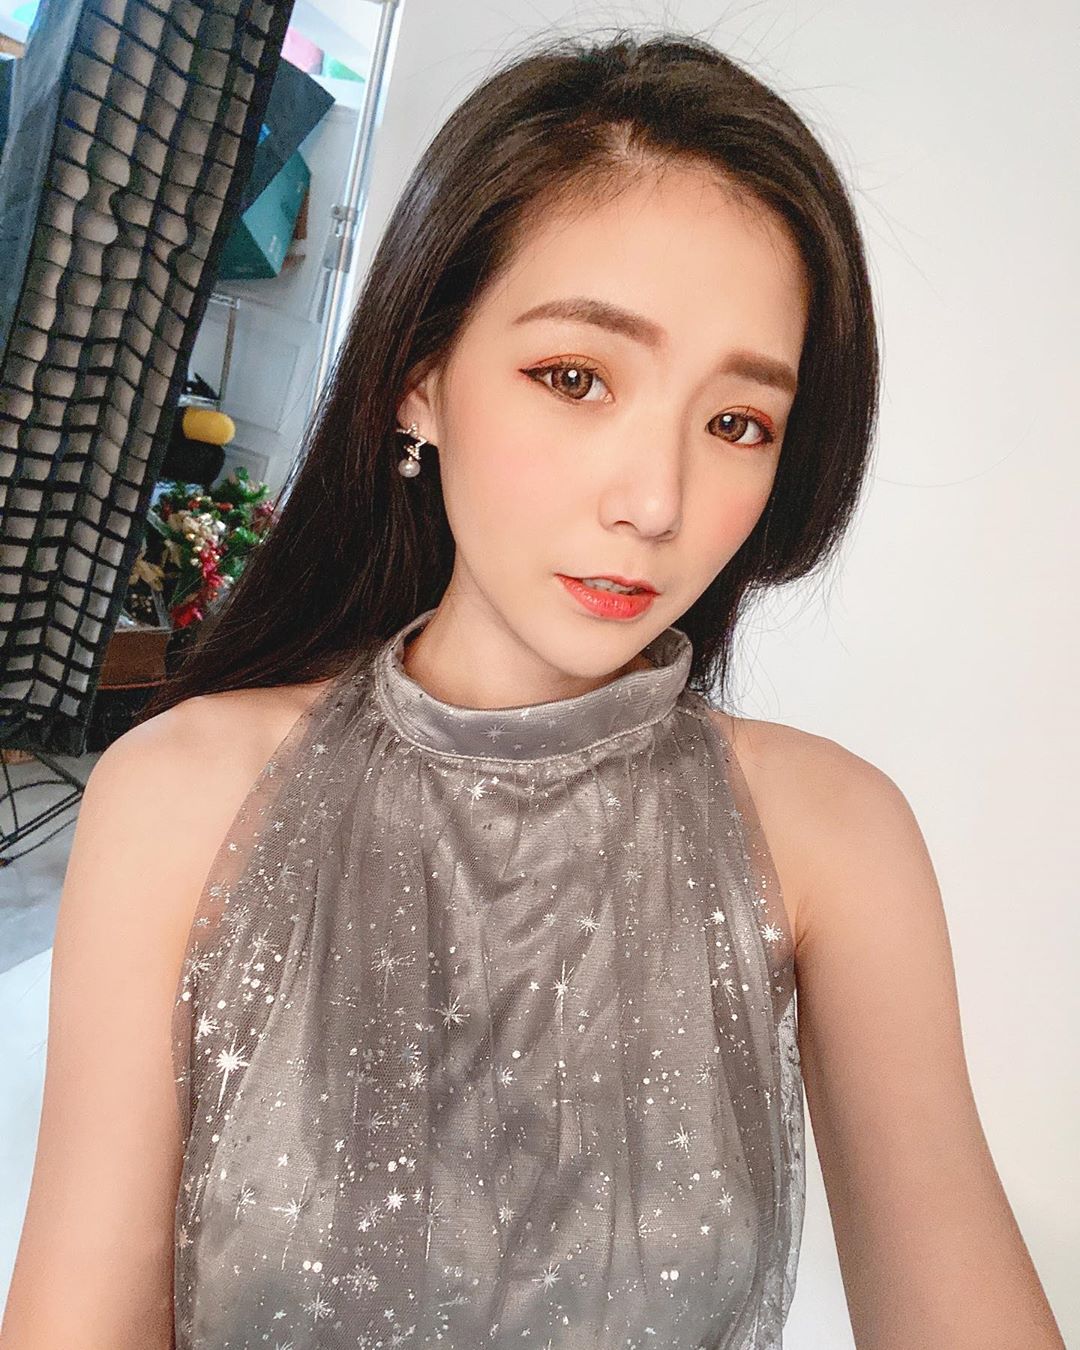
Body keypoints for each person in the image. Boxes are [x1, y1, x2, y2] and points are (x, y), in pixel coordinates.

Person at [1, 28, 1064, 1350]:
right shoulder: (182, 798)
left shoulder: (831, 841)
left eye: (736, 422)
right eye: (576, 378)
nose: (657, 499)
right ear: (420, 377)